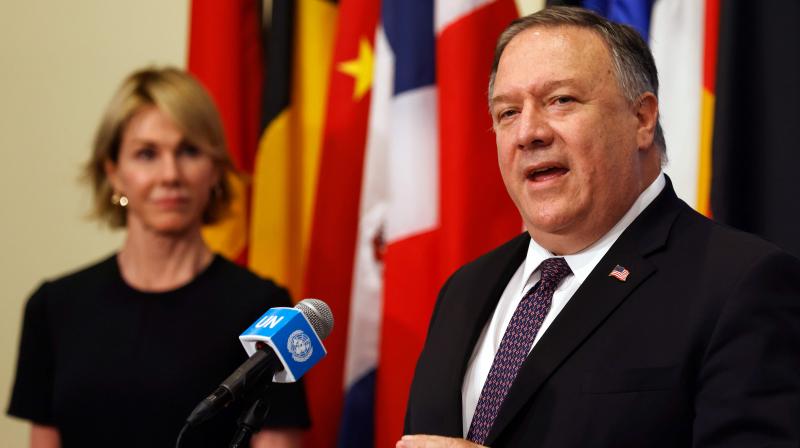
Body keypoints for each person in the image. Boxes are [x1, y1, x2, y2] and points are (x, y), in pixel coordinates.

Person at [398, 6, 800, 448]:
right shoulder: (464, 290)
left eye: (561, 100)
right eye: (508, 112)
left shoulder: (738, 284)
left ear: (642, 119)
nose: (528, 132)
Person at [7, 67, 310, 448]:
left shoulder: (266, 312)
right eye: (147, 154)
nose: (170, 174)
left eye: (189, 151)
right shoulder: (53, 307)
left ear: (215, 170)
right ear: (114, 172)